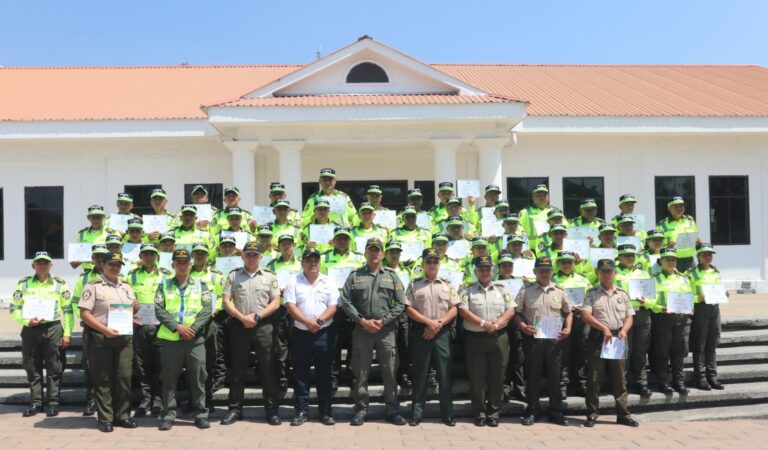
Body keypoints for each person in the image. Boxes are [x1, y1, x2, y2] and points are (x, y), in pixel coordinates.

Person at [341, 237, 407, 426]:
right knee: (361, 371)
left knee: (390, 371)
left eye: (377, 250)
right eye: (370, 249)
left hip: (386, 331)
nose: (374, 253)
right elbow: (345, 301)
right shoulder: (355, 276)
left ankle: (392, 409)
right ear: (365, 253)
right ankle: (361, 409)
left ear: (383, 254)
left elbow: (401, 303)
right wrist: (362, 321)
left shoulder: (392, 276)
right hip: (362, 330)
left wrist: (383, 321)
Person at [220, 242, 282, 426]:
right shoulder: (233, 275)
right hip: (240, 326)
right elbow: (226, 301)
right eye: (249, 254)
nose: (252, 257)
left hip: (263, 326)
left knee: (267, 368)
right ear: (243, 256)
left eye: (255, 255)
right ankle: (234, 409)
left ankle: (272, 409)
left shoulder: (270, 276)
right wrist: (242, 318)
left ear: (261, 257)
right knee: (238, 369)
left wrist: (257, 316)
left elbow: (276, 302)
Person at [78, 252, 140, 433]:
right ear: (102, 265)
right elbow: (84, 313)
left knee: (124, 377)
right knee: (103, 378)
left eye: (118, 264)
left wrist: (135, 309)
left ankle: (123, 416)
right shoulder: (93, 286)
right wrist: (104, 330)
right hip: (101, 337)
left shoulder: (126, 287)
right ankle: (105, 418)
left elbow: (129, 312)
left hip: (124, 337)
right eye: (111, 264)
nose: (115, 267)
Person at [154, 249, 213, 431]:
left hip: (195, 340)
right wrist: (177, 327)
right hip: (171, 339)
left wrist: (193, 329)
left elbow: (206, 309)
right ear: (172, 264)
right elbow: (159, 309)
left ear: (190, 264)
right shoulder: (163, 284)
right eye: (178, 262)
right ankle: (169, 414)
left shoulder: (201, 285)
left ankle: (201, 414)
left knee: (198, 377)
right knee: (169, 378)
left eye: (184, 261)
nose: (181, 265)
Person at [10, 252, 73, 418]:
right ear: (33, 266)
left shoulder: (60, 284)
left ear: (51, 265)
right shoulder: (23, 284)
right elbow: (14, 308)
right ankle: (36, 402)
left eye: (46, 263)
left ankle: (53, 403)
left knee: (55, 367)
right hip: (31, 330)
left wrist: (67, 333)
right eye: (39, 263)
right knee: (32, 367)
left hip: (53, 328)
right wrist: (26, 321)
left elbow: (67, 310)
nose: (42, 265)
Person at [512, 256, 573, 426]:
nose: (545, 273)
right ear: (534, 272)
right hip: (533, 339)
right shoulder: (526, 291)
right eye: (541, 270)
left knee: (555, 375)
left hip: (555, 339)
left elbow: (568, 312)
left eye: (547, 270)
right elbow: (515, 312)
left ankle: (556, 411)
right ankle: (532, 409)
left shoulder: (560, 291)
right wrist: (523, 326)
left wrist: (567, 329)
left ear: (552, 271)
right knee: (533, 374)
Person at [284, 248, 340, 426]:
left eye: (316, 260)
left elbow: (333, 306)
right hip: (301, 333)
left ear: (320, 262)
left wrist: (319, 322)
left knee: (324, 374)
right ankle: (301, 411)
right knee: (301, 375)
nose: (313, 263)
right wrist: (308, 322)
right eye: (309, 260)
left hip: (324, 333)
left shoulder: (328, 281)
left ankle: (326, 411)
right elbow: (290, 306)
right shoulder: (293, 280)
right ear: (303, 263)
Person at [458, 255, 515, 427]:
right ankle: (480, 412)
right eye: (481, 269)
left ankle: (494, 412)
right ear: (475, 271)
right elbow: (463, 311)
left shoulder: (501, 289)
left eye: (488, 268)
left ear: (493, 270)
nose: (485, 272)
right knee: (477, 377)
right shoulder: (467, 290)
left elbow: (511, 310)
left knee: (497, 376)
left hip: (498, 337)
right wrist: (483, 323)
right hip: (475, 338)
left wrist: (496, 324)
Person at [581, 259, 639, 428]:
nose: (607, 274)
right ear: (598, 273)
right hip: (598, 338)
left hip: (617, 339)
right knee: (594, 378)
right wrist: (603, 328)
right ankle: (592, 413)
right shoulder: (591, 294)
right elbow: (585, 315)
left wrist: (624, 330)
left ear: (615, 273)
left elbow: (630, 316)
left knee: (620, 378)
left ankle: (623, 414)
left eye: (609, 271)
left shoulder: (622, 294)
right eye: (603, 271)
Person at [406, 248, 459, 427]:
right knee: (420, 374)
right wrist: (429, 322)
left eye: (435, 261)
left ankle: (448, 413)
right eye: (428, 261)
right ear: (422, 264)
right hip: (422, 331)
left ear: (439, 264)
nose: (432, 265)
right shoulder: (414, 284)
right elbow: (409, 309)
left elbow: (454, 308)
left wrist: (439, 323)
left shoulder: (447, 285)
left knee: (444, 374)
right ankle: (417, 413)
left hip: (442, 332)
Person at [126, 243, 170, 417]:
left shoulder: (166, 275)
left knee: (160, 364)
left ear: (157, 256)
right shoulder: (131, 277)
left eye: (152, 254)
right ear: (140, 257)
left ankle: (158, 400)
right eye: (146, 254)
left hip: (161, 327)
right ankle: (145, 400)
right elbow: (124, 298)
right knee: (142, 365)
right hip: (139, 326)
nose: (149, 257)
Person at [71, 244, 109, 416]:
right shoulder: (84, 279)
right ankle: (92, 399)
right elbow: (75, 302)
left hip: (114, 327)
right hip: (92, 327)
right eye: (97, 256)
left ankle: (112, 400)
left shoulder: (118, 275)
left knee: (114, 365)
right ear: (92, 259)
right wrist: (87, 318)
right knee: (90, 365)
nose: (100, 259)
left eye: (103, 256)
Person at [651, 247, 693, 395]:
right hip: (663, 318)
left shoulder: (683, 278)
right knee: (662, 353)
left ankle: (679, 382)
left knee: (678, 353)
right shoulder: (655, 279)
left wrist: (690, 307)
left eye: (673, 259)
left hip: (680, 320)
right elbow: (650, 301)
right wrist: (659, 308)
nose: (671, 261)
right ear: (661, 261)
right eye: (667, 259)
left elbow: (689, 296)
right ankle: (664, 383)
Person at [614, 244, 654, 398]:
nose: (630, 257)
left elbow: (653, 297)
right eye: (626, 255)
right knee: (623, 351)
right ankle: (620, 384)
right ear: (619, 257)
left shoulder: (643, 273)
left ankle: (641, 383)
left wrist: (646, 302)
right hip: (622, 316)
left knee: (640, 351)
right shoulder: (614, 273)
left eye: (632, 255)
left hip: (642, 315)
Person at [552, 250, 591, 398]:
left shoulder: (583, 280)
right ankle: (563, 385)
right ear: (558, 264)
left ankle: (581, 383)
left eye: (570, 262)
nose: (567, 264)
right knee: (561, 353)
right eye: (563, 262)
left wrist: (584, 306)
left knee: (580, 351)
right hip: (560, 318)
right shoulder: (553, 279)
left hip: (580, 318)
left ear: (575, 263)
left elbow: (590, 298)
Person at [687, 243, 726, 391]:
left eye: (710, 254)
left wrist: (724, 294)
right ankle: (701, 377)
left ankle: (712, 376)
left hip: (715, 309)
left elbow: (718, 288)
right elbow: (687, 295)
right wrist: (698, 298)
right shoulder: (692, 273)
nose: (708, 257)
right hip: (700, 309)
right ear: (698, 257)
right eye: (704, 254)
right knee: (700, 344)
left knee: (712, 343)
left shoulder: (715, 272)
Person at [656, 196, 700, 272]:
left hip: (689, 259)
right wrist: (667, 247)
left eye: (681, 206)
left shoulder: (690, 221)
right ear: (669, 208)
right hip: (672, 260)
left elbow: (696, 238)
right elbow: (656, 246)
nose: (679, 208)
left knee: (690, 282)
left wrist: (698, 241)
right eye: (676, 206)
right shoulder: (662, 225)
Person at [73, 205, 119, 270]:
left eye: (99, 216)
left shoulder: (112, 233)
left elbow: (118, 254)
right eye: (93, 216)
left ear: (104, 217)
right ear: (88, 218)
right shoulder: (81, 234)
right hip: (88, 272)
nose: (96, 219)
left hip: (107, 271)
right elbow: (75, 262)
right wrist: (79, 259)